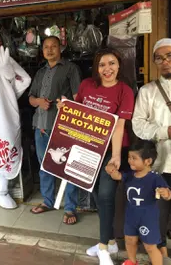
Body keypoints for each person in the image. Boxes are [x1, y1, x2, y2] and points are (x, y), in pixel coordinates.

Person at [57, 48, 135, 265]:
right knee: (94, 194)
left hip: (112, 150)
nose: (107, 69)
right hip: (88, 149)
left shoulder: (125, 91)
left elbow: (120, 126)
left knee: (107, 195)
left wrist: (116, 156)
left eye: (111, 63)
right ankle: (110, 241)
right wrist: (65, 107)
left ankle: (102, 249)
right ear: (96, 67)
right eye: (102, 64)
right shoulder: (86, 85)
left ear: (119, 65)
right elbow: (78, 112)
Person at [132, 38, 171, 257]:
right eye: (159, 58)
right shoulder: (147, 91)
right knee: (158, 213)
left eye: (169, 56)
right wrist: (164, 132)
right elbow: (138, 124)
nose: (165, 62)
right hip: (160, 163)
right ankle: (159, 257)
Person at [28, 36, 81, 225]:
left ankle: (70, 207)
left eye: (54, 46)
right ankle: (48, 201)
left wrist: (65, 104)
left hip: (62, 127)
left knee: (68, 168)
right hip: (40, 126)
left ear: (61, 48)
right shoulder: (40, 72)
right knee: (45, 167)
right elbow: (31, 98)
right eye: (46, 47)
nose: (49, 50)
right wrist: (39, 102)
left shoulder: (70, 68)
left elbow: (78, 98)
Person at [106, 139, 171, 265]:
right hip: (131, 216)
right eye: (129, 157)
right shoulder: (130, 175)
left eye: (134, 158)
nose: (130, 160)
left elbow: (169, 194)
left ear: (148, 161)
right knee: (130, 241)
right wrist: (111, 170)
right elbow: (117, 176)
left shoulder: (155, 178)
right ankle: (131, 261)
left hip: (148, 218)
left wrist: (166, 193)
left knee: (150, 247)